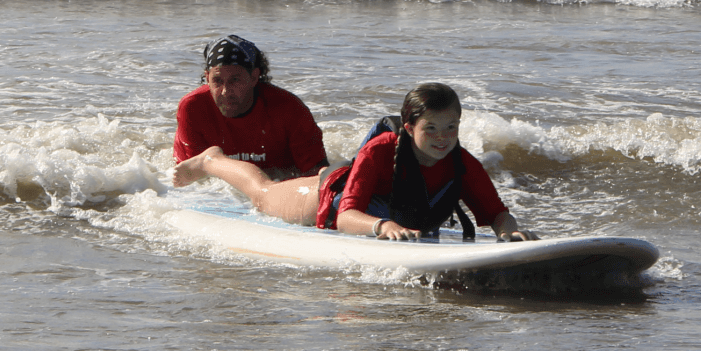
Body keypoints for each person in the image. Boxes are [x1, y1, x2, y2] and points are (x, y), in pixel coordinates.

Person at [175, 83, 537, 242]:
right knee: (262, 193)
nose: (442, 138)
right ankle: (211, 160)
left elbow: (496, 213)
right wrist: (382, 227)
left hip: (382, 212)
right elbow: (347, 217)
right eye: (431, 128)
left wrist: (507, 231)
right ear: (409, 128)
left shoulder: (461, 162)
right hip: (323, 199)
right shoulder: (381, 150)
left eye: (451, 128)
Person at [172, 35, 327, 182]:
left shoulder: (289, 108)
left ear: (254, 77)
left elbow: (316, 172)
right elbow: (194, 179)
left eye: (235, 80)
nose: (225, 91)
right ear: (207, 78)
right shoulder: (192, 107)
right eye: (217, 80)